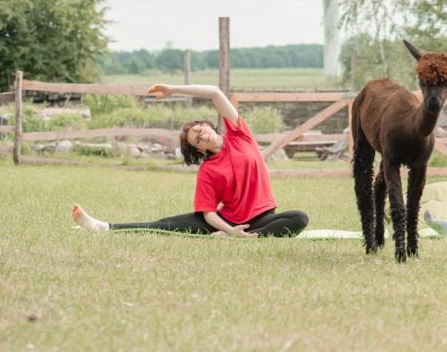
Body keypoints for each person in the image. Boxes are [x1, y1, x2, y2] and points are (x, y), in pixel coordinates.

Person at [71, 83, 308, 238]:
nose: (201, 134)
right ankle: (103, 227)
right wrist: (229, 230)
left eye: (200, 128)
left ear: (208, 125)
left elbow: (215, 93)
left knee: (299, 218)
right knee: (163, 224)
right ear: (199, 149)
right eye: (196, 139)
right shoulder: (208, 170)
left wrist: (173, 90)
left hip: (263, 215)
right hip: (226, 220)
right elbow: (208, 214)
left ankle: (248, 237)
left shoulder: (241, 136)